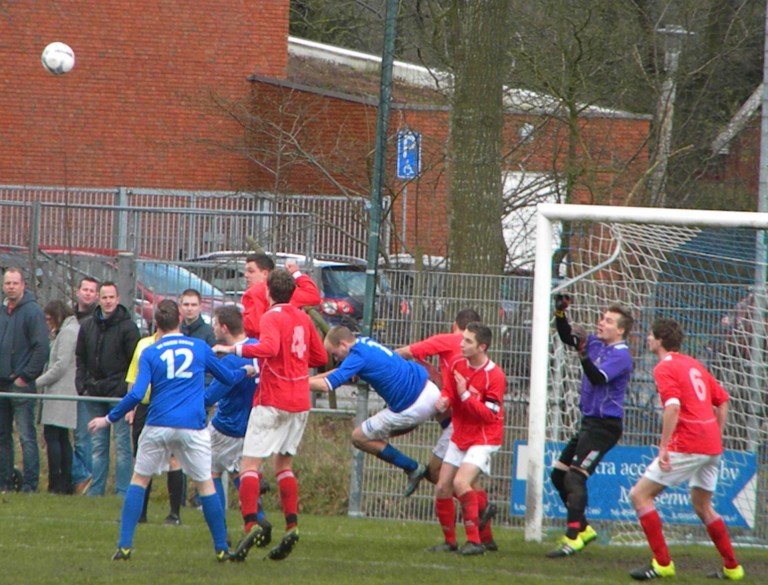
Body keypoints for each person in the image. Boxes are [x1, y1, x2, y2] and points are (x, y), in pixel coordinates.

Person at [88, 299, 255, 562]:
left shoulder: (151, 352)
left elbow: (136, 395)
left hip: (158, 424)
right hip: (193, 426)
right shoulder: (199, 347)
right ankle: (222, 548)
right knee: (205, 484)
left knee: (139, 480)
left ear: (157, 324)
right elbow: (226, 377)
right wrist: (244, 370)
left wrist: (108, 419)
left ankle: (124, 547)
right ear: (180, 319)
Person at [214, 268, 327, 562]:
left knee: (249, 465)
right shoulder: (303, 317)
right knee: (284, 465)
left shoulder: (271, 317)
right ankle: (292, 526)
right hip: (300, 401)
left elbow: (268, 347)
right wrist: (293, 358)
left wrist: (232, 349)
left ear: (269, 293)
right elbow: (320, 358)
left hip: (272, 399)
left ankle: (251, 524)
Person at [627, 318, 744, 581]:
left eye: (649, 335)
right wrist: (717, 433)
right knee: (702, 505)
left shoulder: (664, 368)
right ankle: (733, 567)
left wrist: (664, 446)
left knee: (639, 495)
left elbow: (673, 407)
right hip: (711, 446)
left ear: (659, 340)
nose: (647, 339)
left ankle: (662, 563)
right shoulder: (694, 364)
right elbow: (723, 400)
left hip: (689, 442)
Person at [396, 308, 499, 546]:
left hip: (463, 425)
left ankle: (472, 521)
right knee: (466, 482)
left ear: (456, 326)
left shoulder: (450, 340)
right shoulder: (474, 362)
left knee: (438, 475)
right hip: (467, 425)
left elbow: (410, 351)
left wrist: (383, 357)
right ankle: (486, 538)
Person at [546, 294, 634, 558]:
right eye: (602, 318)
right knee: (558, 476)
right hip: (589, 423)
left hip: (605, 427)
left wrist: (583, 353)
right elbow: (565, 336)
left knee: (575, 476)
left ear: (620, 330)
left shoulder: (621, 356)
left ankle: (572, 537)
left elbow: (596, 378)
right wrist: (560, 313)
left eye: (608, 321)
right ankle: (583, 529)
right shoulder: (595, 343)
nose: (601, 323)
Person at [309, 325, 439, 497]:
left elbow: (327, 386)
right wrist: (307, 379)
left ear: (343, 345)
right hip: (431, 390)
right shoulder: (365, 342)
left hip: (413, 405)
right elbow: (339, 371)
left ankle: (413, 468)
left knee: (359, 437)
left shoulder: (357, 357)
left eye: (335, 354)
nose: (335, 358)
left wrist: (296, 384)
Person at [429, 322, 506, 556]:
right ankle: (450, 541)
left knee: (461, 483)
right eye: (462, 339)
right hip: (460, 434)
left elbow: (488, 414)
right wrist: (445, 399)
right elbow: (450, 392)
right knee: (442, 486)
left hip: (484, 437)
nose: (461, 344)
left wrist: (464, 395)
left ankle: (474, 542)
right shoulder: (457, 364)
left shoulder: (495, 375)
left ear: (482, 347)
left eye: (468, 341)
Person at [75, 281, 140, 496]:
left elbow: (135, 361)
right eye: (104, 297)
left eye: (111, 297)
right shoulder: (87, 325)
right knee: (97, 445)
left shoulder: (128, 327)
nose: (108, 301)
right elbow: (81, 357)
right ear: (98, 299)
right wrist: (81, 384)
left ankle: (122, 492)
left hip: (119, 396)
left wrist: (126, 390)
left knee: (122, 446)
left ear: (118, 299)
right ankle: (96, 490)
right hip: (93, 393)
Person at [204, 305, 263, 536]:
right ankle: (259, 519)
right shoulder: (258, 348)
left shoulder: (230, 360)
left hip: (227, 426)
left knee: (211, 472)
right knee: (242, 473)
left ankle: (221, 531)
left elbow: (210, 396)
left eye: (215, 324)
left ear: (224, 328)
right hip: (253, 426)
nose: (214, 328)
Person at [0, 268, 49, 493]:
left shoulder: (32, 312)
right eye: (7, 283)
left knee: (27, 436)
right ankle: (5, 482)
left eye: (14, 283)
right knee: (2, 436)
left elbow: (41, 349)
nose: (10, 287)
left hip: (20, 384)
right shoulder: (2, 311)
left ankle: (30, 484)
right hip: (1, 385)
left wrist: (25, 376)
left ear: (23, 285)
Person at [36, 301, 80, 494]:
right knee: (60, 438)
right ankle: (63, 482)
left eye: (49, 319)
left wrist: (39, 381)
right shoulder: (65, 331)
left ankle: (58, 482)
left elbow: (61, 365)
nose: (47, 323)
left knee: (54, 437)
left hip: (61, 392)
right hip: (59, 392)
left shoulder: (69, 332)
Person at [241, 253, 321, 338]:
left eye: (251, 271)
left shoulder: (253, 293)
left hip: (262, 343)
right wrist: (296, 273)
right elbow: (313, 295)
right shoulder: (284, 290)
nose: (246, 275)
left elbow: (253, 326)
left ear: (265, 273)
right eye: (246, 271)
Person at [71, 276, 99, 495]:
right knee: (61, 434)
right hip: (66, 385)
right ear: (78, 291)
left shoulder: (96, 322)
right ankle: (80, 477)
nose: (88, 293)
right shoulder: (69, 319)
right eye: (85, 289)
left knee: (84, 437)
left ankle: (87, 479)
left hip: (87, 387)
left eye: (92, 290)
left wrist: (84, 383)